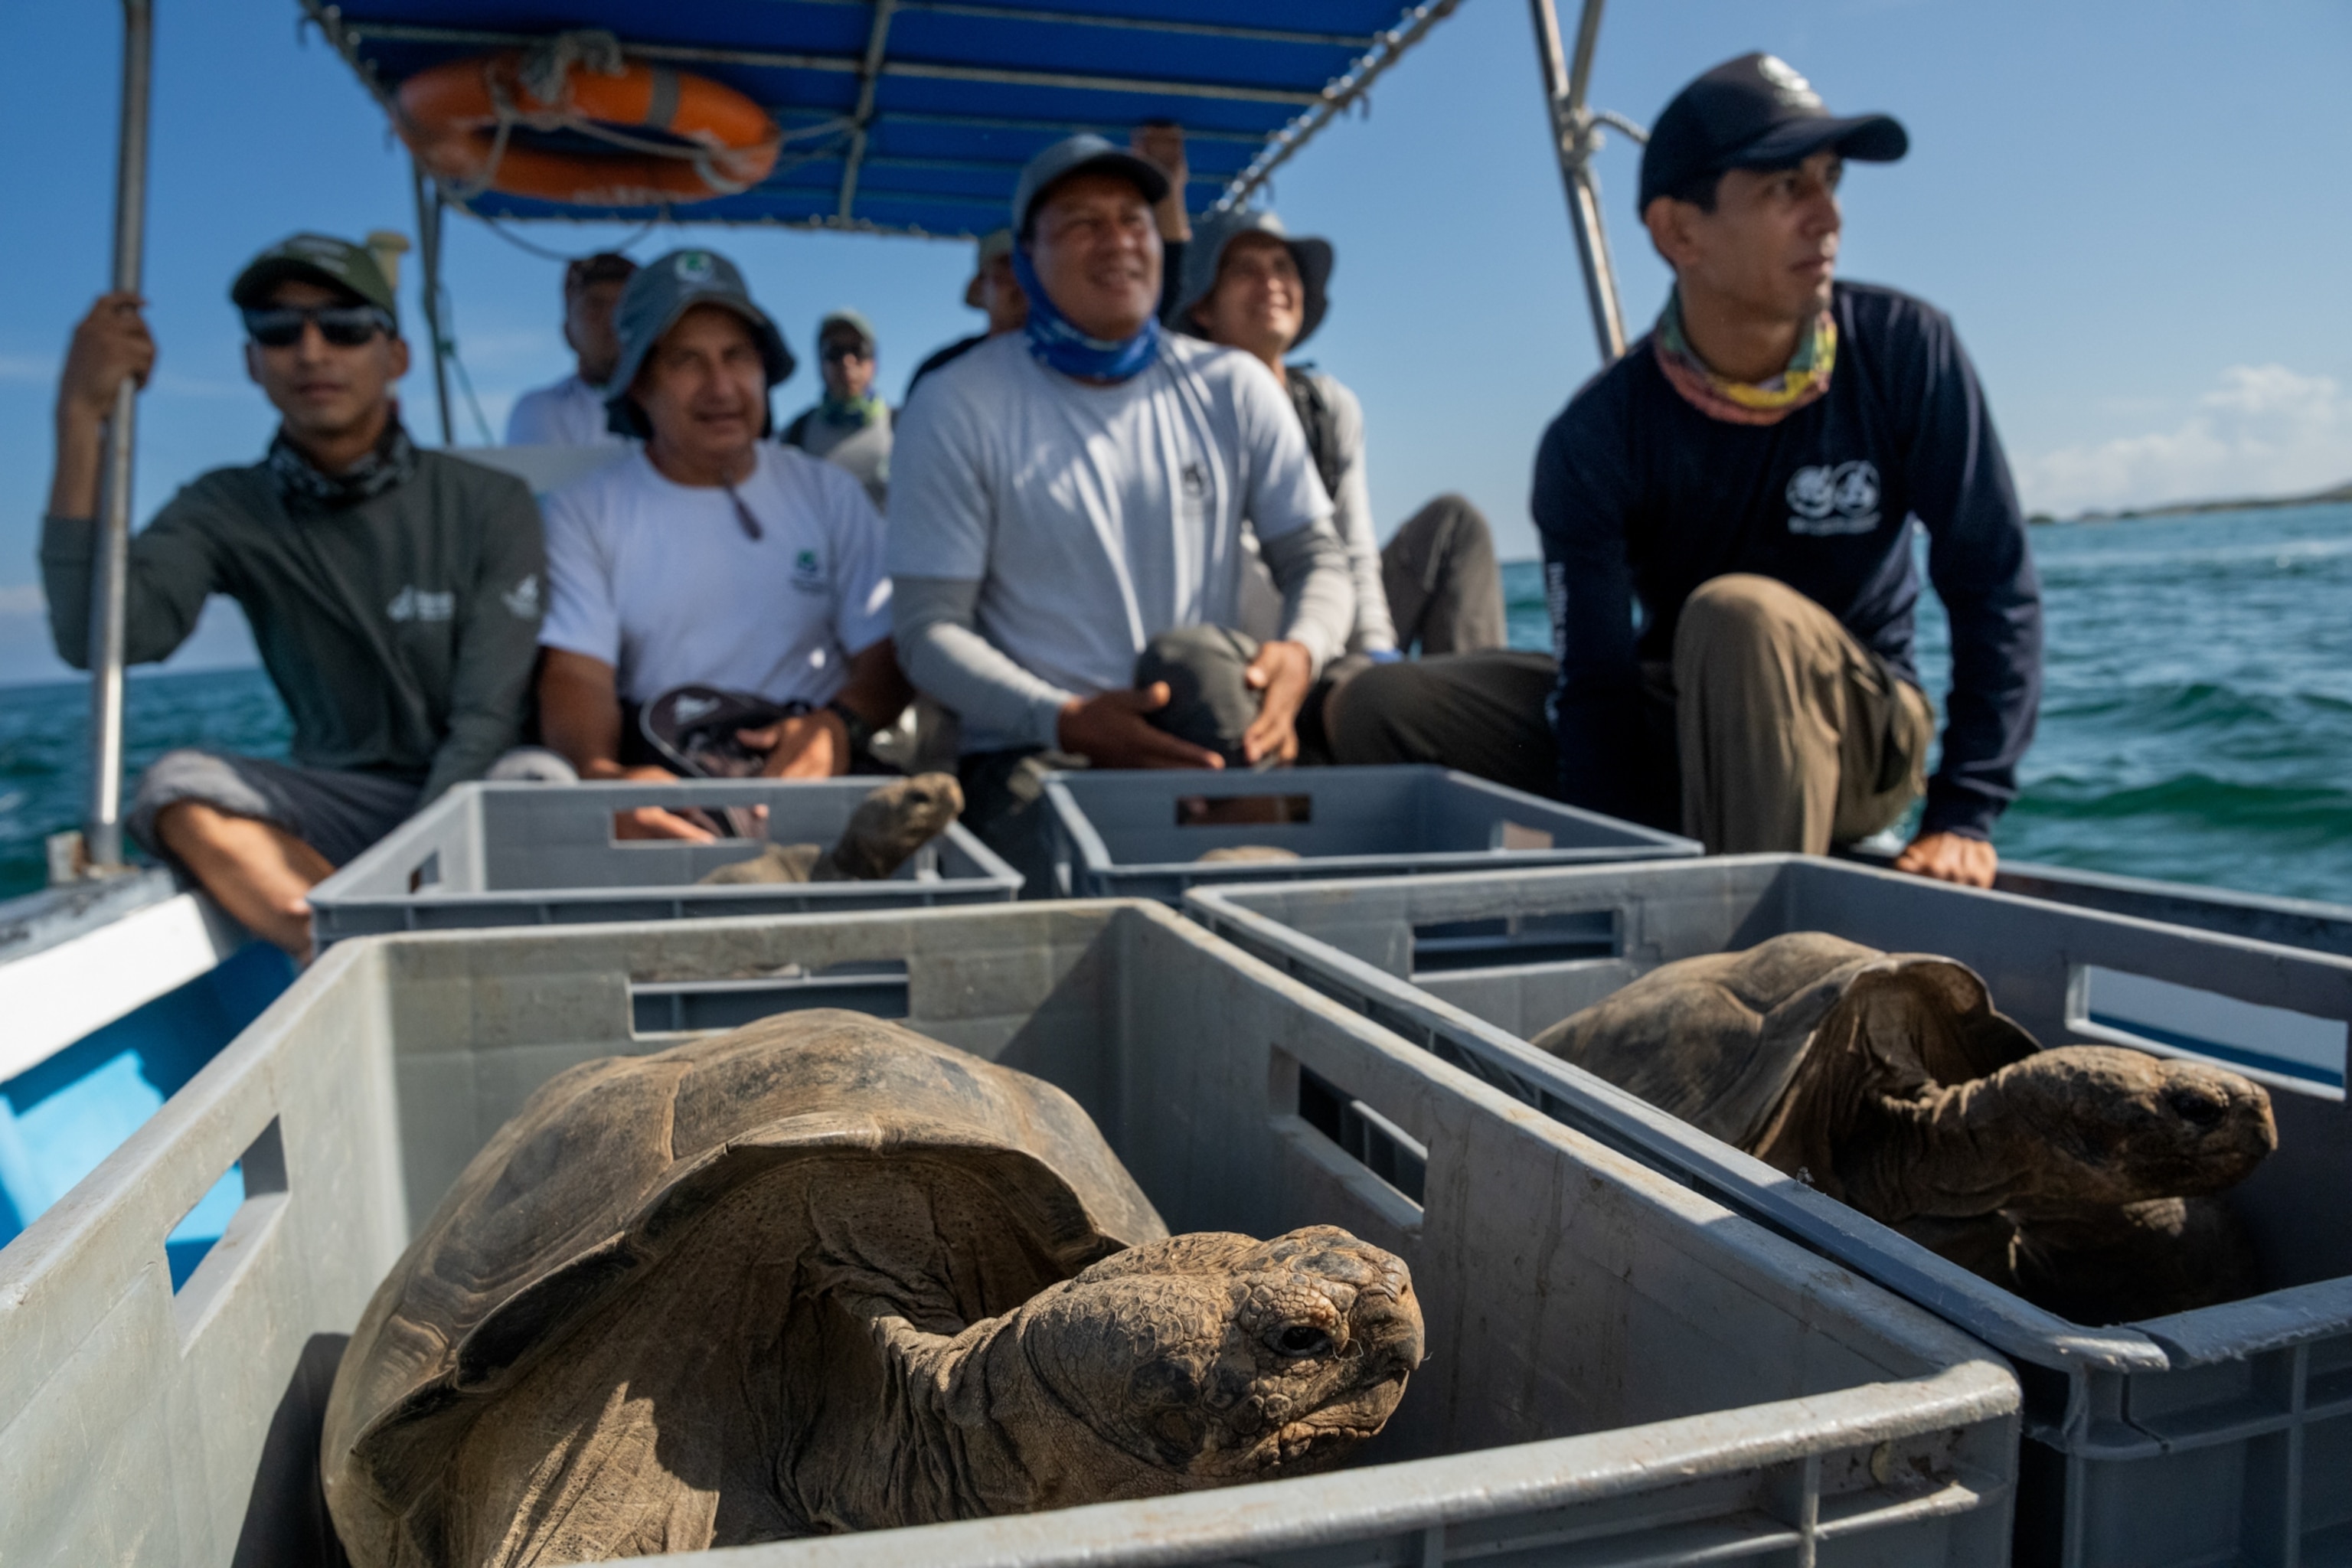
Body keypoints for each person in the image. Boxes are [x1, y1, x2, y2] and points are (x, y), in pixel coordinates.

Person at [1536, 54, 2041, 885]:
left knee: (1738, 615)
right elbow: (1595, 687)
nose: (1829, 215)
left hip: (1866, 733)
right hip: (1687, 719)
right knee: (1399, 707)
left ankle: (1751, 981)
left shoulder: (1908, 352)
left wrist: (1965, 809)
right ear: (1679, 233)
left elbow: (1993, 585)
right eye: (1785, 188)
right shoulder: (1594, 434)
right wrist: (1609, 883)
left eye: (1830, 179)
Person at [41, 234, 545, 958]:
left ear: (396, 356)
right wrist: (78, 423)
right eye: (279, 333)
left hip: (478, 789)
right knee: (174, 788)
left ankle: (368, 938)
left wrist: (410, 869)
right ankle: (348, 955)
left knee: (535, 777)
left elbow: (486, 718)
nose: (311, 352)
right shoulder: (224, 506)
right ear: (252, 361)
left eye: (343, 328)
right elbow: (99, 637)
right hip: (334, 804)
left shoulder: (491, 502)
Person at [887, 135, 1352, 880]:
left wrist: (1302, 653)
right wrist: (1061, 716)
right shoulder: (954, 404)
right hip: (1037, 749)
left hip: (1203, 727)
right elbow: (926, 629)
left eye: (1134, 220)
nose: (1117, 242)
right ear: (1026, 257)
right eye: (1081, 222)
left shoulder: (1234, 386)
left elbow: (1317, 560)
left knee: (1271, 899)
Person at [1170, 204, 1557, 792]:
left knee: (1457, 522)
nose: (1272, 282)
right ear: (1202, 304)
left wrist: (1372, 653)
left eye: (1283, 267)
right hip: (1250, 641)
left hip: (1330, 626)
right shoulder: (1184, 412)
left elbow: (1350, 544)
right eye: (1244, 271)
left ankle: (1463, 710)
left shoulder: (1329, 406)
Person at [537, 249, 910, 841]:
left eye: (738, 356)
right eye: (687, 360)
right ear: (639, 380)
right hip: (669, 773)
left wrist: (839, 729)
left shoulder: (830, 493)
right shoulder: (585, 511)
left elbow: (886, 650)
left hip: (814, 766)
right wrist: (602, 776)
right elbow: (577, 675)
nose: (721, 386)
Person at [505, 252, 638, 446]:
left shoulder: (676, 410)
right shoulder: (541, 409)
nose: (612, 320)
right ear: (567, 332)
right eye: (595, 306)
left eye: (625, 307)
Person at [780, 309, 892, 509]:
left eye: (858, 350)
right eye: (834, 352)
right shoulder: (792, 437)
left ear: (874, 361)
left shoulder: (905, 427)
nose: (847, 362)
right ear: (820, 363)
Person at [905, 229, 1026, 397]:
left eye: (1030, 264)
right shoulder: (941, 370)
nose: (1021, 276)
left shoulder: (1070, 365)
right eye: (1006, 264)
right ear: (982, 286)